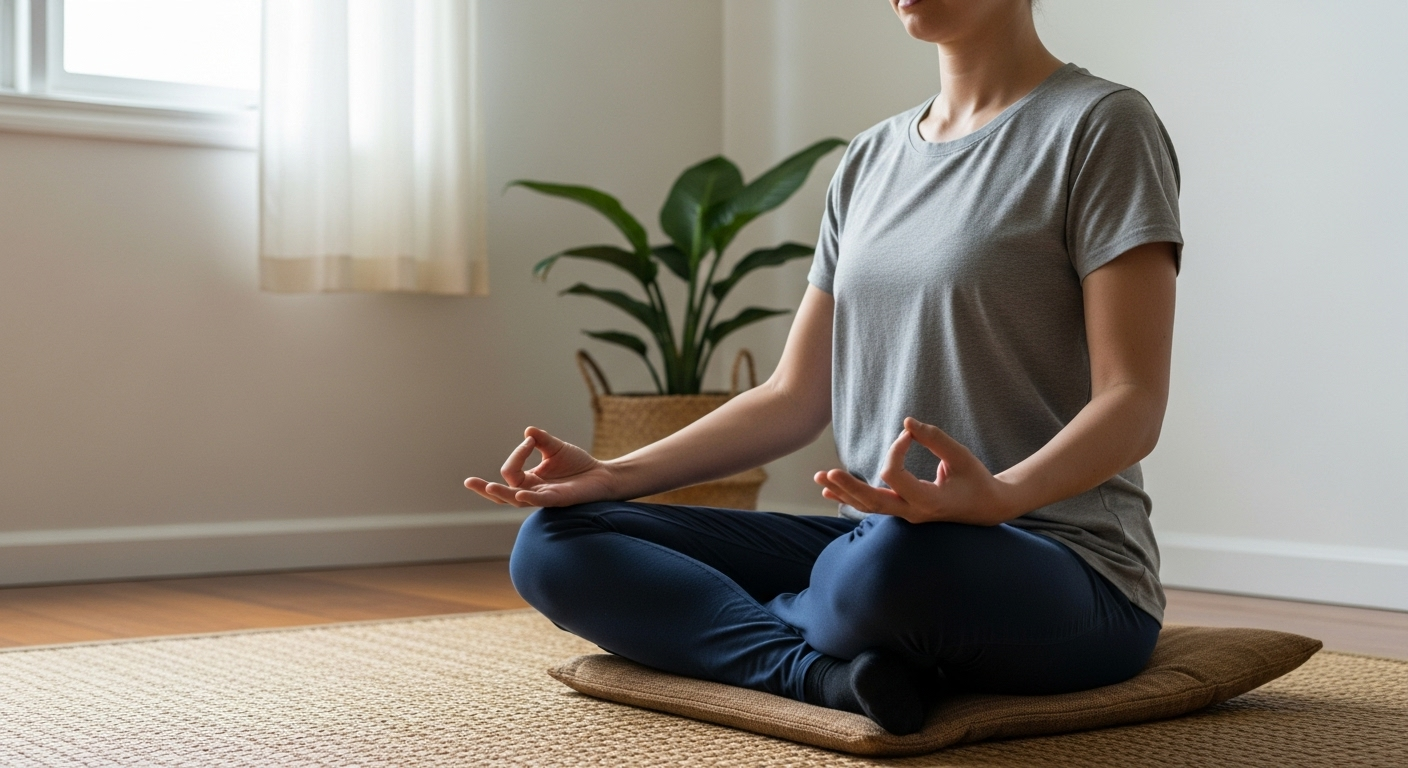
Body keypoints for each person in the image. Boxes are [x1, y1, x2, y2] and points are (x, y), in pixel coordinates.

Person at [466, 0, 1181, 736]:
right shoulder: (870, 158)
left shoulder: (1101, 126)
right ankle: (822, 676)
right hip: (876, 539)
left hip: (1059, 561)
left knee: (884, 571)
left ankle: (771, 630)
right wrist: (615, 476)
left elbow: (1132, 399)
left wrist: (999, 496)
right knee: (555, 543)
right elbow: (792, 396)